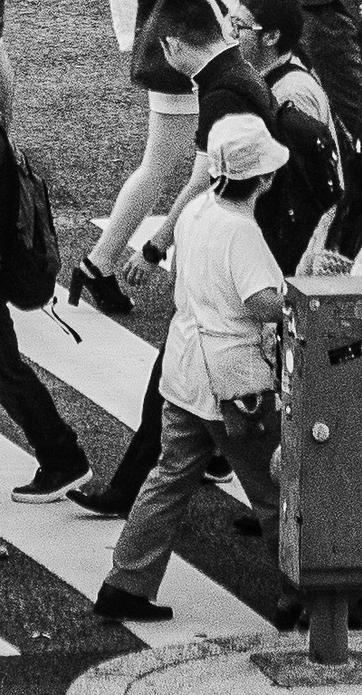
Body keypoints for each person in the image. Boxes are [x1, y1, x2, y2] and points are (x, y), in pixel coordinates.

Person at [92, 111, 301, 627]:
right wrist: (299, 294)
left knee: (168, 478)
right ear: (266, 179)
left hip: (185, 370)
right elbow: (262, 304)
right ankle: (299, 594)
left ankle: (126, 581)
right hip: (237, 381)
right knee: (275, 488)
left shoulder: (196, 212)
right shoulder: (242, 233)